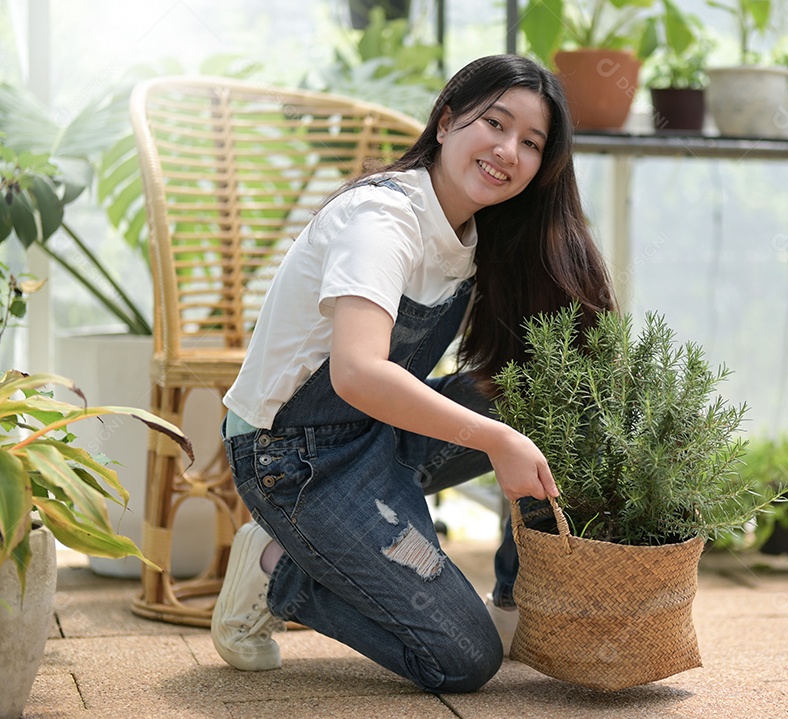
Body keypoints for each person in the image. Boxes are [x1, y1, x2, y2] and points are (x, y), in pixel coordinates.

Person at [213, 54, 614, 694]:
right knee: (463, 659)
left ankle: (513, 603)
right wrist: (498, 440)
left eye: (531, 143)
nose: (509, 151)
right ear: (448, 120)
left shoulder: (479, 233)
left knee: (546, 389)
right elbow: (358, 373)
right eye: (495, 123)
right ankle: (277, 566)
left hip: (376, 436)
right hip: (289, 457)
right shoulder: (381, 219)